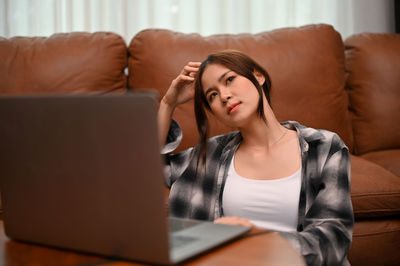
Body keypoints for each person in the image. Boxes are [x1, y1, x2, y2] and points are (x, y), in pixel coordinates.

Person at [158, 50, 354, 265]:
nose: (224, 96)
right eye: (212, 95)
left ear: (258, 76)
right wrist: (168, 103)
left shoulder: (323, 146)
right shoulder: (211, 153)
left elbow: (334, 240)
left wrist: (254, 236)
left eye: (230, 80)